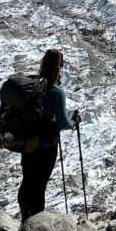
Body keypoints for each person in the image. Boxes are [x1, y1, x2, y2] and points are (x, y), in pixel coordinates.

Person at [18, 49, 81, 221]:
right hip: (46, 147)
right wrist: (74, 122)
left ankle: (25, 218)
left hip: (28, 143)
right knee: (39, 186)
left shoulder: (32, 85)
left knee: (27, 181)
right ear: (59, 67)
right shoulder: (56, 92)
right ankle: (36, 223)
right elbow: (63, 123)